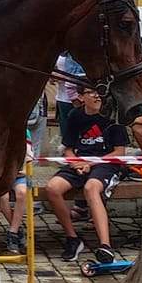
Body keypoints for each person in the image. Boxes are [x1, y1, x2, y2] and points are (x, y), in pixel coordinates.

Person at [43, 82, 127, 261]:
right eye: (92, 92)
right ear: (81, 97)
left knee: (91, 188)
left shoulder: (112, 116)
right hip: (79, 163)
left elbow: (120, 152)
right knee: (52, 188)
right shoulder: (75, 115)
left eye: (100, 92)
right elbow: (68, 148)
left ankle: (105, 245)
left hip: (106, 164)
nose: (97, 96)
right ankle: (72, 238)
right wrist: (76, 162)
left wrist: (90, 163)